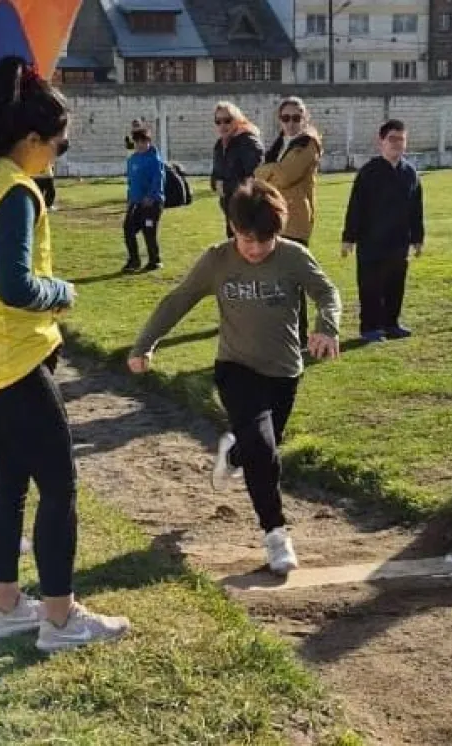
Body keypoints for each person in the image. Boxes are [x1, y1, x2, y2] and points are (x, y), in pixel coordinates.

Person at [0, 56, 130, 650]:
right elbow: (17, 286)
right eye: (58, 145)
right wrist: (62, 292)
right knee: (59, 487)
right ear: (29, 140)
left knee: (10, 485)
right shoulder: (14, 191)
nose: (57, 155)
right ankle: (60, 620)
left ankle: (6, 608)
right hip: (15, 361)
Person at [128, 181, 341, 575]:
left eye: (265, 240)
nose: (256, 249)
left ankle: (234, 452)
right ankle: (276, 535)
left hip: (284, 372)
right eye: (247, 239)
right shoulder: (217, 260)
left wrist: (328, 327)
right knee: (264, 452)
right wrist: (145, 345)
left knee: (262, 447)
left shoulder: (294, 257)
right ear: (232, 226)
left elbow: (327, 292)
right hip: (235, 368)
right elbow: (178, 300)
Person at [341, 119, 424, 343]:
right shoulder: (369, 172)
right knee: (371, 286)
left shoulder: (410, 174)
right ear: (381, 141)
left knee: (395, 284)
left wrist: (417, 238)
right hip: (371, 242)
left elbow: (416, 208)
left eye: (401, 139)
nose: (396, 144)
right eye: (392, 139)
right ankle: (370, 327)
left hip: (398, 242)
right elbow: (355, 206)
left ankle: (391, 323)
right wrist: (348, 237)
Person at [256, 96, 322, 348]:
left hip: (295, 220)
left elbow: (283, 176)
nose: (291, 123)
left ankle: (300, 336)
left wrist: (264, 172)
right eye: (286, 118)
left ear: (305, 119)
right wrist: (267, 172)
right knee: (274, 277)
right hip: (273, 217)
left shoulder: (308, 145)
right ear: (279, 120)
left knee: (293, 278)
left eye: (296, 118)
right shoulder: (280, 144)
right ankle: (280, 332)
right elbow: (266, 178)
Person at [211, 102, 264, 238]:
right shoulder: (220, 144)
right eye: (218, 121)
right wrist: (215, 183)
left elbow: (255, 177)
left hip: (248, 207)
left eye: (227, 120)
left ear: (237, 120)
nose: (223, 125)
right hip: (230, 206)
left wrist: (226, 186)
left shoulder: (248, 141)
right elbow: (216, 173)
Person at [122, 127, 165, 273]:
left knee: (149, 231)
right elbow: (131, 181)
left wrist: (151, 196)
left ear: (148, 141)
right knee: (128, 228)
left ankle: (155, 260)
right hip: (136, 202)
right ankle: (134, 260)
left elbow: (158, 180)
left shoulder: (154, 160)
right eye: (138, 141)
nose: (141, 144)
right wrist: (130, 198)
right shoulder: (132, 160)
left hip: (151, 203)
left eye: (144, 141)